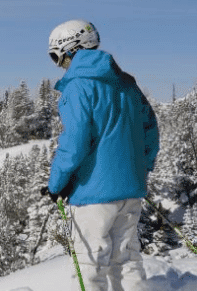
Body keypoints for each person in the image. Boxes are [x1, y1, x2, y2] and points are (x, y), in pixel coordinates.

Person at [42, 19, 159, 291]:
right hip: (130, 189)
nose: (60, 65)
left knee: (89, 262)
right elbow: (150, 129)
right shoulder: (127, 84)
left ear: (71, 48)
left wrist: (57, 183)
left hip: (92, 193)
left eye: (57, 57)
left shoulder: (78, 87)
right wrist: (141, 168)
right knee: (127, 258)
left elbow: (76, 139)